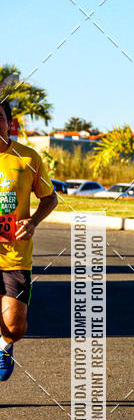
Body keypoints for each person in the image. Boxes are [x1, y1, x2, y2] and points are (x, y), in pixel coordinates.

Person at [0, 101, 58, 380]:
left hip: (15, 254)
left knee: (14, 326)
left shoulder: (27, 158)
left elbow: (50, 198)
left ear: (8, 123)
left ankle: (4, 346)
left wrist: (33, 222)